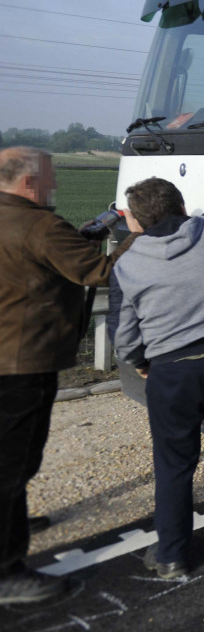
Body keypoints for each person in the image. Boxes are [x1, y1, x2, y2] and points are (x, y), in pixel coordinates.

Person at [109, 167, 204, 579]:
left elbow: (123, 333)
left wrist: (141, 362)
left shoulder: (126, 264)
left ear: (134, 220)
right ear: (180, 206)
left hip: (172, 372)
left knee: (175, 464)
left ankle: (173, 555)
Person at [0, 147, 131, 605]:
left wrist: (85, 235)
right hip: (22, 363)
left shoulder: (19, 222)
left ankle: (14, 515)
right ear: (30, 183)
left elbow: (37, 261)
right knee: (13, 463)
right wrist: (141, 234)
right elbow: (100, 272)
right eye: (50, 179)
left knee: (9, 459)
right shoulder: (39, 225)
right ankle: (6, 572)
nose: (53, 187)